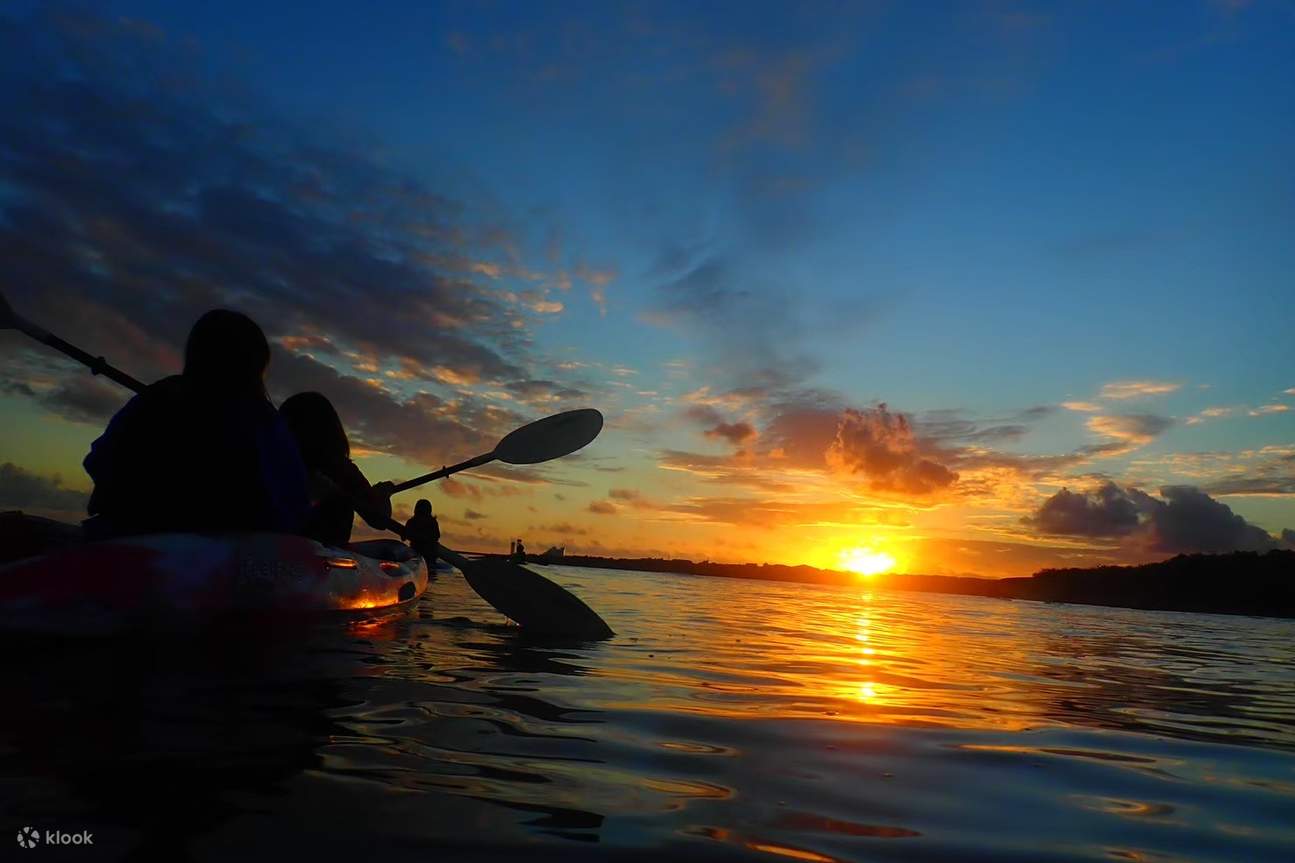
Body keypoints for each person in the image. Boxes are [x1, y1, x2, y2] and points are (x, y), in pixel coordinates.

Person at [84, 309, 310, 538]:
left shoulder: (158, 395)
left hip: (124, 541)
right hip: (220, 555)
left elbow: (99, 460)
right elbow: (290, 506)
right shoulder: (263, 420)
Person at [278, 391, 395, 548]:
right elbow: (380, 519)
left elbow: (378, 519)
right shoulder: (343, 469)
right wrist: (383, 497)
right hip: (311, 556)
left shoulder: (342, 470)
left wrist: (382, 495)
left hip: (302, 554)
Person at [403, 499, 441, 571]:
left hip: (425, 552)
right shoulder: (431, 521)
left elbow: (404, 537)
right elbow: (437, 536)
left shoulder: (413, 521)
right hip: (423, 552)